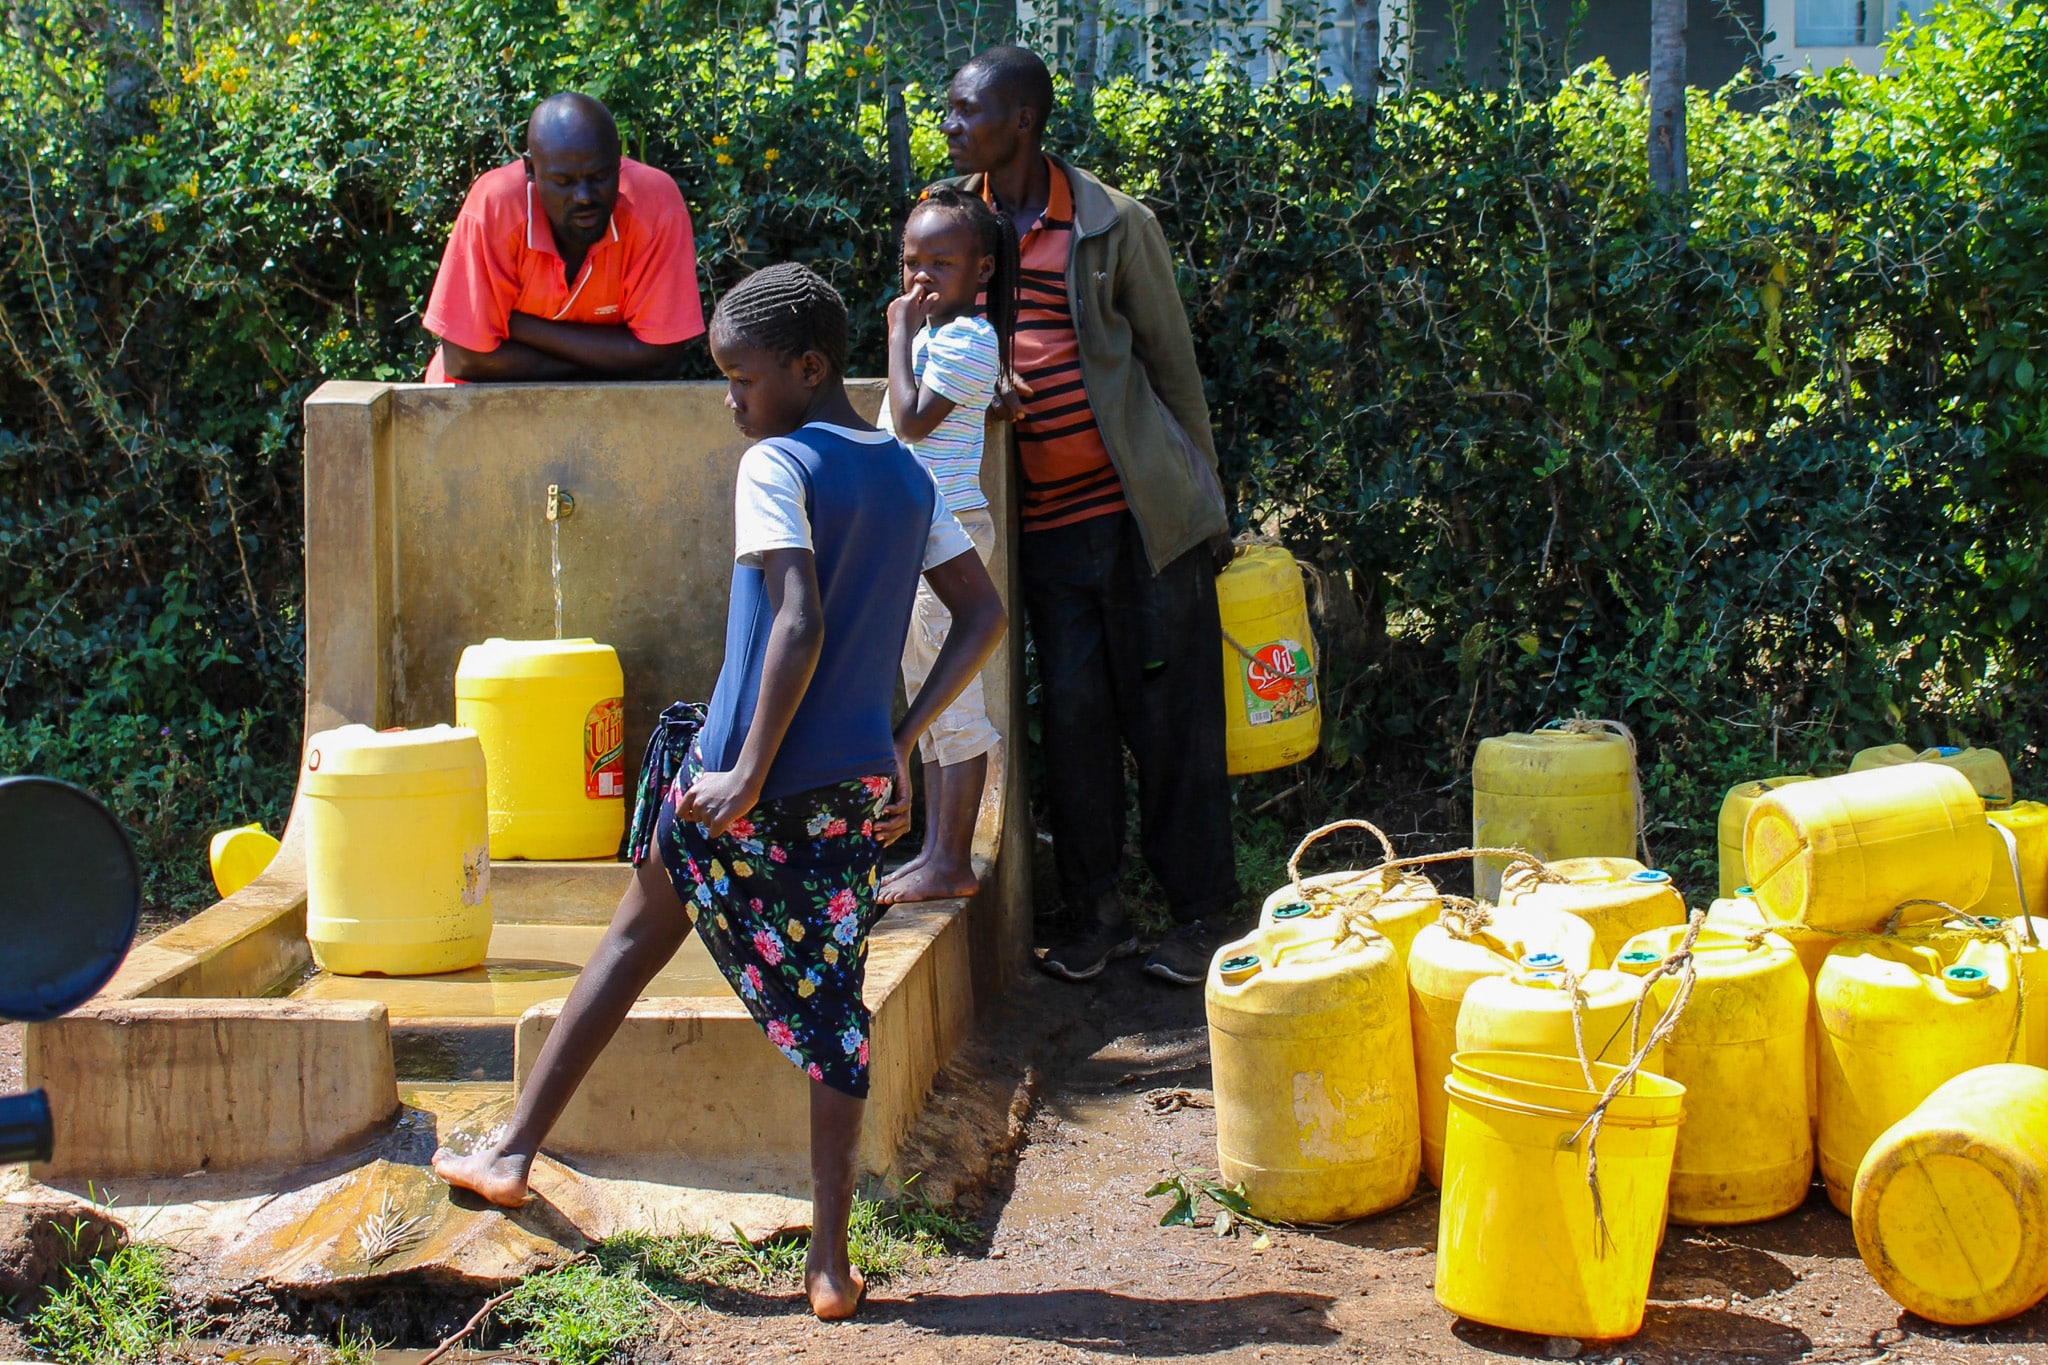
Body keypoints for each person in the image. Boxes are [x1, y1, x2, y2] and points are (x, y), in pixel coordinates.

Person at [432, 264, 1007, 1321]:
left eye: (739, 379)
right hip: (839, 791)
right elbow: (981, 614)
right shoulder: (905, 475)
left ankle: (511, 1151)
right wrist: (898, 734)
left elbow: (795, 621)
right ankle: (829, 1268)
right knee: (833, 1012)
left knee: (625, 945)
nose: (729, 401)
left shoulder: (777, 463)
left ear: (807, 369)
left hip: (730, 785)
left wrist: (741, 773)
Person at [934, 46, 1241, 986]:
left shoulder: (1113, 224)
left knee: (1172, 718)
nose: (950, 125)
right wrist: (985, 394)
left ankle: (1200, 918)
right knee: (1070, 718)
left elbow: (1173, 367)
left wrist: (1203, 509)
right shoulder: (963, 223)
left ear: (1021, 120)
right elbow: (943, 339)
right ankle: (1095, 913)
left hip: (1141, 520)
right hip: (1047, 531)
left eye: (965, 111)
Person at [875, 187, 1020, 906]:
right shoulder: (948, 337)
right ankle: (935, 849)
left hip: (947, 540)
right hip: (919, 537)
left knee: (952, 705)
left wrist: (899, 334)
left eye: (941, 263)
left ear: (982, 270)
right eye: (910, 263)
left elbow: (909, 421)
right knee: (926, 698)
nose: (921, 279)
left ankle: (952, 858)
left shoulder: (965, 338)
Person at [421, 92, 703, 382]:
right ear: (531, 169)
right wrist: (610, 361)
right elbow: (464, 360)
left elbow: (660, 360)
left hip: (605, 409)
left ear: (617, 159)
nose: (583, 198)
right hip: (472, 408)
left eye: (599, 177)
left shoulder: (654, 205)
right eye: (563, 182)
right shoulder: (496, 205)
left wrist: (520, 326)